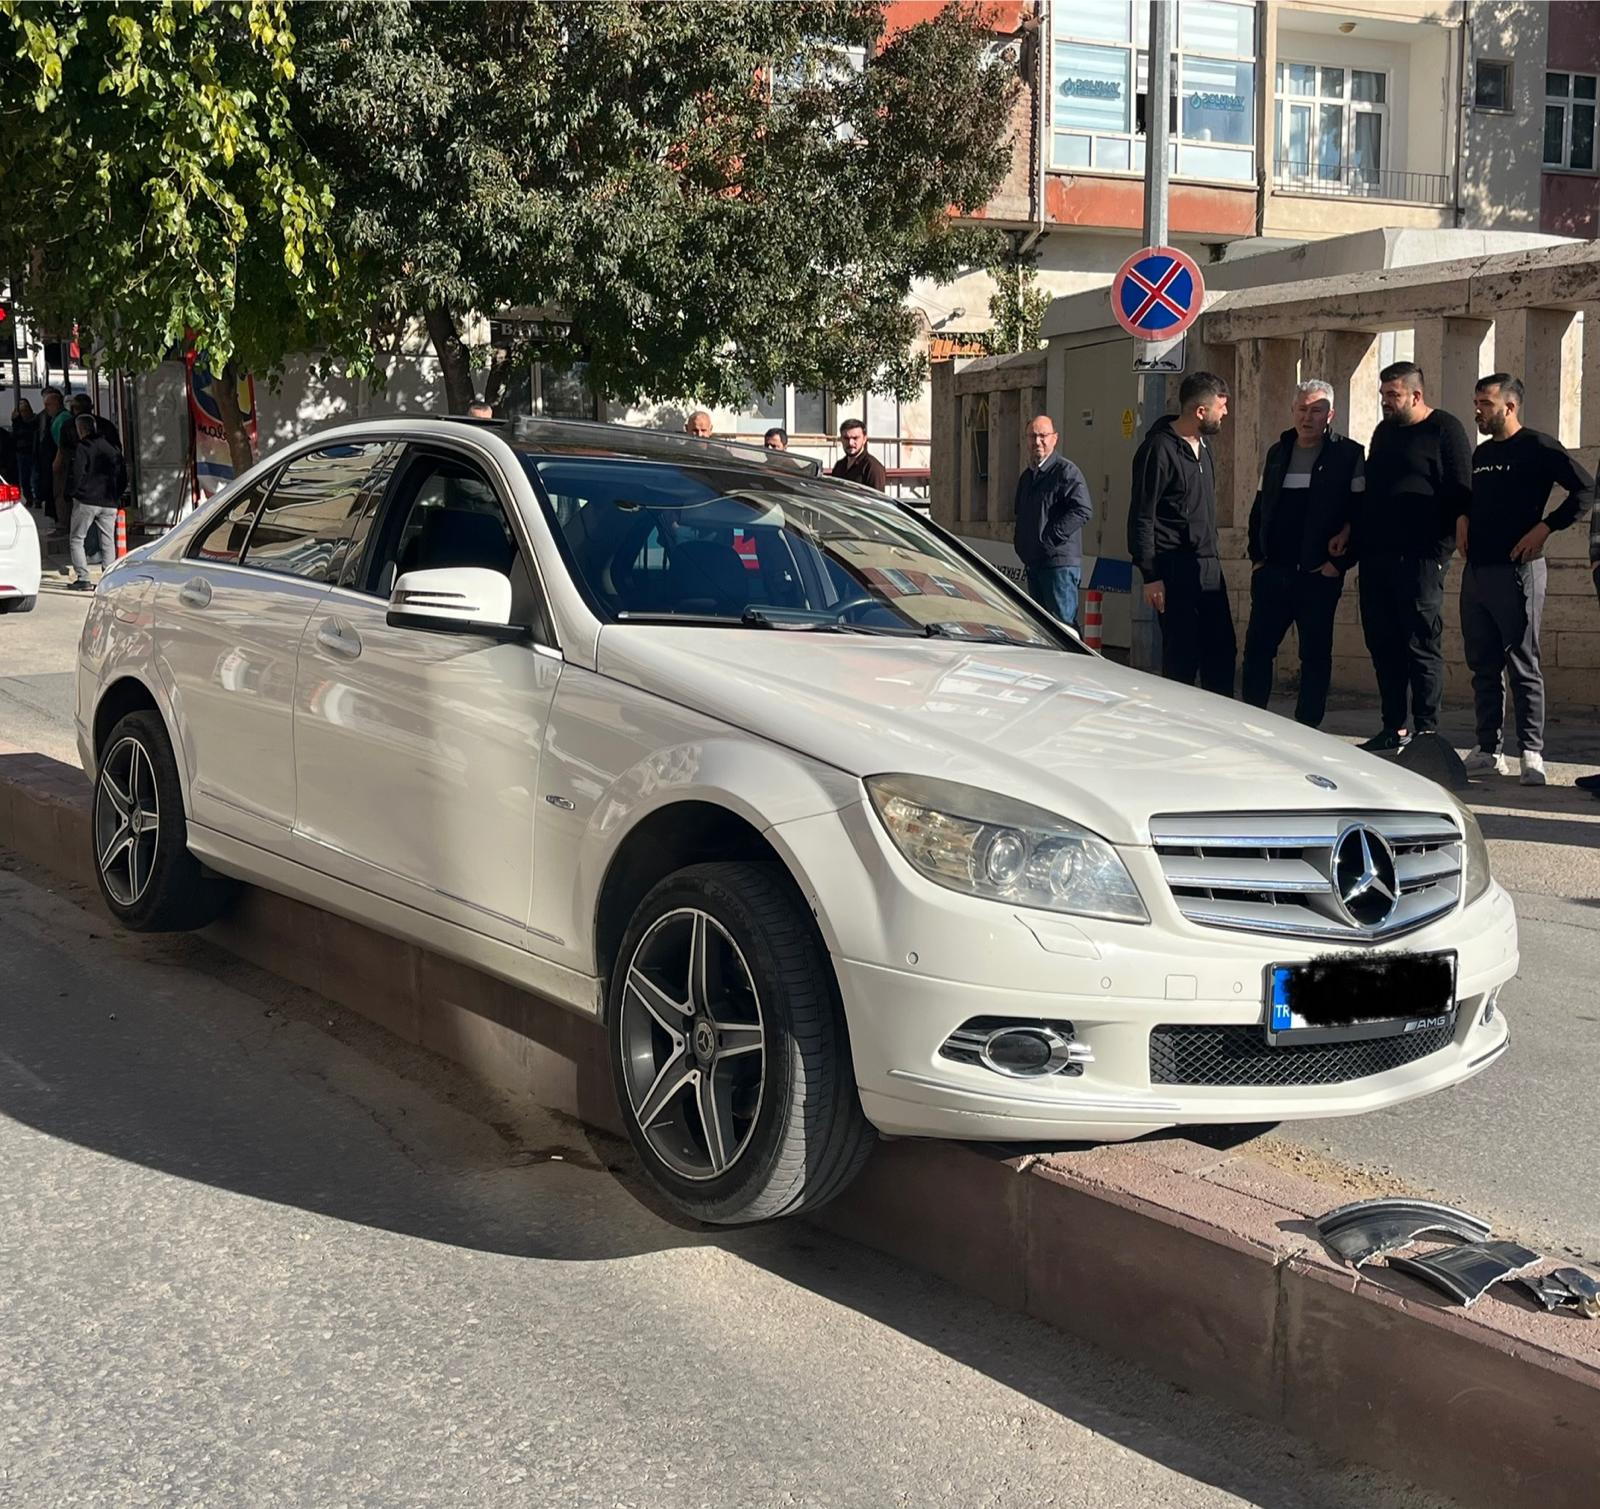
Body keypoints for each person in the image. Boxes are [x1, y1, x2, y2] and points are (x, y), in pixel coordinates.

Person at [1458, 374, 1595, 786]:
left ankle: (1531, 752)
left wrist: (1546, 528)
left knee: (1522, 660)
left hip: (1518, 570)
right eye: (1476, 402)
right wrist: (1462, 519)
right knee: (1482, 662)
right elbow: (1470, 498)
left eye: (1486, 403)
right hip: (1477, 571)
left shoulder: (1538, 446)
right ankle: (1488, 749)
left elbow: (1585, 490)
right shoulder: (1481, 454)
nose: (1478, 410)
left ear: (1510, 406)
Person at [1353, 361, 1472, 751]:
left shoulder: (1445, 429)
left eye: (1394, 395)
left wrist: (1445, 545)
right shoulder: (1384, 432)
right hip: (1377, 556)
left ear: (1416, 396)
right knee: (1383, 642)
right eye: (1384, 394)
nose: (1386, 402)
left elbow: (1460, 488)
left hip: (1422, 557)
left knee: (1421, 644)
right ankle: (1393, 726)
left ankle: (1426, 729)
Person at [1241, 379, 1365, 727]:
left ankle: (1307, 727)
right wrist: (1258, 560)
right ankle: (1251, 722)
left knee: (1314, 655)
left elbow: (1359, 514)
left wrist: (1337, 564)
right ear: (1292, 410)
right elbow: (1259, 509)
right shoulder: (1277, 453)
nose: (1307, 417)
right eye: (1302, 409)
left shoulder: (1349, 454)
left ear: (1331, 414)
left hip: (1317, 576)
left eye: (1316, 410)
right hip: (1272, 573)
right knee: (1257, 652)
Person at [1128, 371, 1236, 695]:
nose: (1226, 413)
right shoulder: (1159, 449)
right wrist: (1150, 574)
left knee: (1222, 653)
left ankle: (1222, 729)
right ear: (1200, 411)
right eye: (1222, 406)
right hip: (1173, 570)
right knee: (1181, 660)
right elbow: (1141, 516)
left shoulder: (1203, 446)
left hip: (1208, 568)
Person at [1013, 414, 1092, 625]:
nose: (1037, 441)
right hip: (1034, 563)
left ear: (1054, 438)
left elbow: (1082, 510)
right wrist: (1023, 546)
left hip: (1059, 565)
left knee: (1063, 629)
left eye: (1042, 436)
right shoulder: (1027, 477)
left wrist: (1049, 540)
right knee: (1042, 630)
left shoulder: (1066, 472)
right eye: (1032, 436)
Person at [65, 412, 123, 591]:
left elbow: (78, 473)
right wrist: (116, 495)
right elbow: (122, 476)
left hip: (86, 501)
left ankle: (83, 578)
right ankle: (109, 578)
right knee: (107, 541)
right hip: (109, 501)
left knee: (76, 539)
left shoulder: (83, 447)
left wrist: (73, 492)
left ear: (80, 430)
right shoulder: (112, 448)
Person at [831, 417, 887, 491]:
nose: (850, 443)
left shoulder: (873, 467)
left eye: (855, 438)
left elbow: (878, 500)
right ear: (841, 439)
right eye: (846, 438)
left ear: (864, 439)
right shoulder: (839, 466)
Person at [10, 400, 38, 509]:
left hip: (33, 452)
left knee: (34, 477)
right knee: (25, 478)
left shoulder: (35, 420)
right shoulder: (18, 422)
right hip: (22, 453)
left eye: (25, 410)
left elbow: (26, 432)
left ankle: (36, 498)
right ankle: (30, 498)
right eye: (22, 411)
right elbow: (16, 435)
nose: (24, 413)